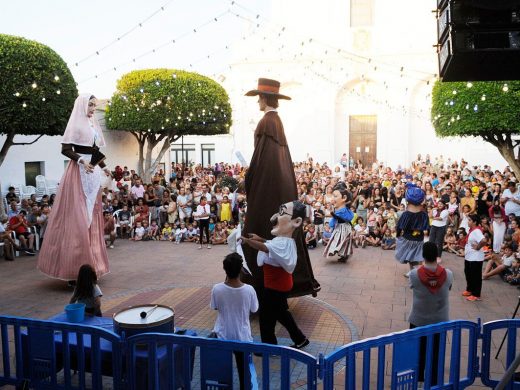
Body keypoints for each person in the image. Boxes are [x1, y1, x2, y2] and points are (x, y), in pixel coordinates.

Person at [243, 78, 319, 297]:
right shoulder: (277, 122)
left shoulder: (266, 122)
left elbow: (259, 160)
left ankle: (259, 289)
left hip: (266, 189)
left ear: (265, 98)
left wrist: (249, 179)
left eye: (259, 97)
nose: (258, 101)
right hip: (278, 187)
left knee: (257, 226)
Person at [37, 94, 110, 282]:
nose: (93, 108)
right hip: (78, 172)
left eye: (95, 105)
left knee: (90, 219)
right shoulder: (75, 125)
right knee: (76, 219)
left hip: (92, 175)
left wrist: (104, 167)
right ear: (83, 105)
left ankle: (90, 266)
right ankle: (72, 270)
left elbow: (94, 150)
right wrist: (81, 160)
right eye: (91, 105)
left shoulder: (93, 125)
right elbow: (65, 148)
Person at [241, 200, 309, 349]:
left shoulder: (283, 242)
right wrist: (260, 239)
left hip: (276, 286)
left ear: (296, 222)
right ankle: (293, 340)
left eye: (282, 213)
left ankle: (273, 345)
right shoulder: (284, 241)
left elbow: (267, 248)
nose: (274, 217)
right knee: (276, 314)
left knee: (269, 316)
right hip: (278, 285)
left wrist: (248, 241)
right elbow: (271, 245)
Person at [210, 252, 259, 390]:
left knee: (222, 375)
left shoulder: (217, 288)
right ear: (241, 269)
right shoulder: (249, 290)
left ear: (225, 269)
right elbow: (254, 309)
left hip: (222, 335)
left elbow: (214, 307)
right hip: (243, 337)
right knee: (244, 374)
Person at [409, 239, 453, 386]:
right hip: (440, 320)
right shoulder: (448, 274)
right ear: (437, 255)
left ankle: (418, 380)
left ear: (423, 255)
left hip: (418, 319)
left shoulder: (414, 274)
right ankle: (434, 383)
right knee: (436, 353)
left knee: (418, 353)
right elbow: (448, 288)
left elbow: (413, 286)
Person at [395, 184, 429, 278]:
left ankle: (416, 272)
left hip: (408, 239)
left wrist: (398, 235)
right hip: (419, 240)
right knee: (414, 257)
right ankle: (413, 272)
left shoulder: (406, 214)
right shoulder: (424, 215)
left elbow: (399, 227)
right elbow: (426, 228)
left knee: (412, 257)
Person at [323, 182, 354, 262]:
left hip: (343, 228)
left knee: (341, 241)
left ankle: (341, 254)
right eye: (333, 196)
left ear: (344, 198)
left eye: (335, 196)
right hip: (341, 227)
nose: (332, 198)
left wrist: (332, 214)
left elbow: (342, 218)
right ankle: (342, 254)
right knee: (340, 241)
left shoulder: (343, 210)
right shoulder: (341, 209)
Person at [462, 214, 487, 301]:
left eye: (469, 220)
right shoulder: (472, 230)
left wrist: (478, 247)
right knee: (468, 273)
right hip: (469, 257)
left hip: (476, 258)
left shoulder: (477, 231)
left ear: (474, 222)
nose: (468, 222)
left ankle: (476, 294)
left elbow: (484, 240)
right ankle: (469, 290)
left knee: (475, 276)